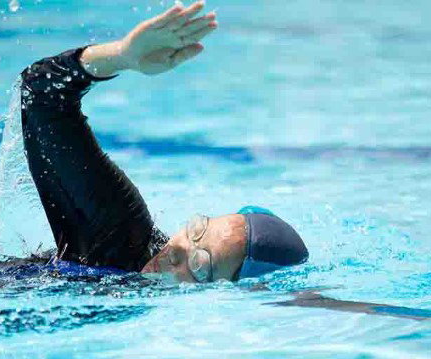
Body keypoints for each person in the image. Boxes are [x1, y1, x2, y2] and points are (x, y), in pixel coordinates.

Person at [19, 1, 308, 283]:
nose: (178, 249)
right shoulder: (120, 236)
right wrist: (121, 56)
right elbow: (41, 92)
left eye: (200, 264)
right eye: (197, 230)